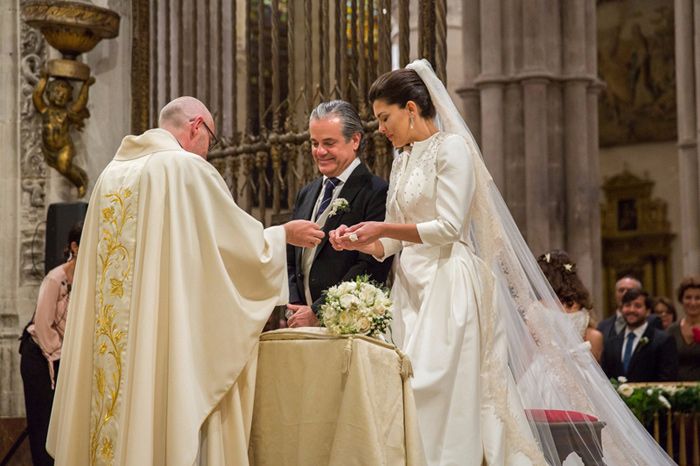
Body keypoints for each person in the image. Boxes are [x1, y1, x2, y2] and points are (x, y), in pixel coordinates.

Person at [330, 60, 675, 465]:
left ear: (410, 107)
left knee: (434, 388)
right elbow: (392, 239)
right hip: (410, 287)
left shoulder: (452, 148)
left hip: (448, 284)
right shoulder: (402, 159)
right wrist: (359, 241)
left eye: (384, 118)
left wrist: (380, 227)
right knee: (404, 388)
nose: (381, 129)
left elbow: (448, 226)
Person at [45, 96, 323, 466]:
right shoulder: (184, 168)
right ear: (196, 127)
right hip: (160, 334)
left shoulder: (110, 175)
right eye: (210, 137)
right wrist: (279, 235)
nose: (208, 150)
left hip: (110, 344)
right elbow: (230, 249)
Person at [285, 101, 392, 328]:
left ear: (355, 140)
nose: (319, 152)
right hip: (301, 324)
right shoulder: (307, 193)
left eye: (328, 143)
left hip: (347, 326)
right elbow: (291, 259)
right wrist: (295, 305)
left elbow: (371, 266)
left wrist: (319, 311)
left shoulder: (376, 192)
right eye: (314, 143)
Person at [19, 222, 81, 466]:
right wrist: (63, 357)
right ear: (74, 246)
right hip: (39, 357)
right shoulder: (55, 279)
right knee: (42, 425)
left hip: (61, 359)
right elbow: (44, 327)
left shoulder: (90, 281)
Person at [536, 250, 604, 361]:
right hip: (580, 368)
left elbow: (527, 351)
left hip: (545, 368)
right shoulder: (581, 306)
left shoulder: (537, 308)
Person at [601, 288, 678, 382]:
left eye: (637, 306)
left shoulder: (663, 340)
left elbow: (667, 379)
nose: (631, 310)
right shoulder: (611, 343)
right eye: (627, 305)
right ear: (621, 309)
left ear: (648, 311)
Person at [666, 276, 700, 381]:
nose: (693, 303)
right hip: (677, 390)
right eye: (688, 297)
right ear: (681, 300)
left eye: (698, 298)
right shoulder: (671, 330)